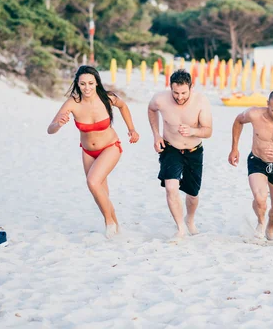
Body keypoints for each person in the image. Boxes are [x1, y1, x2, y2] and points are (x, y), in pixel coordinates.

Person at [47, 65, 139, 238]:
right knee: (101, 192)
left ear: (96, 82)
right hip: (88, 151)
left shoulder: (107, 98)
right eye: (83, 84)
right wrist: (58, 124)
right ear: (77, 84)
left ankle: (109, 224)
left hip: (110, 147)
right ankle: (117, 226)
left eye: (90, 83)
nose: (87, 87)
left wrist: (132, 129)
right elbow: (50, 129)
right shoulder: (72, 103)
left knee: (92, 182)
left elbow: (123, 106)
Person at [228, 90, 273, 241]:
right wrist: (234, 148)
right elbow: (238, 121)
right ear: (267, 105)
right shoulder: (255, 114)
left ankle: (270, 229)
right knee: (261, 199)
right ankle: (261, 223)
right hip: (257, 160)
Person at [147, 69, 212, 239]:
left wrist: (192, 130)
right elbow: (151, 109)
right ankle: (180, 227)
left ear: (191, 87)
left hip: (194, 151)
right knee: (171, 188)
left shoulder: (201, 101)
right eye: (176, 93)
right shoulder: (160, 99)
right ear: (170, 88)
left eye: (184, 93)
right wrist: (156, 134)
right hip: (170, 148)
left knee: (192, 194)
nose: (180, 97)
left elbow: (208, 131)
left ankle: (189, 220)